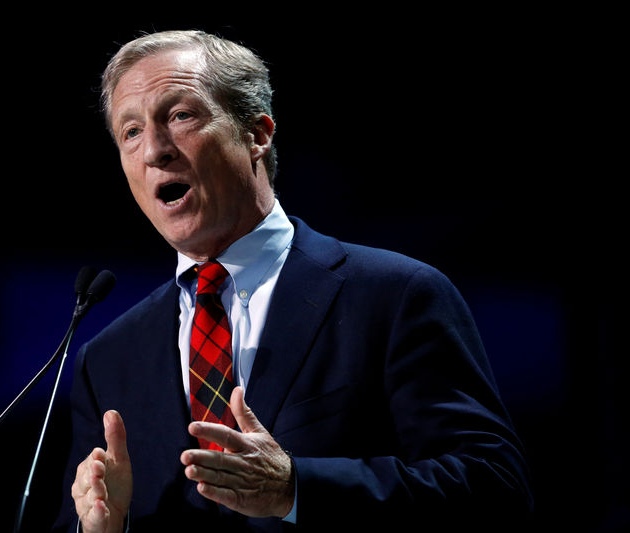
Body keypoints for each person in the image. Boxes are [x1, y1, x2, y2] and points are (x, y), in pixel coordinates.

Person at [53, 30, 533, 532]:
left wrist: (295, 490)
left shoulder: (394, 295)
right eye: (130, 132)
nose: (153, 150)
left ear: (257, 135)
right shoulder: (107, 360)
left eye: (180, 116)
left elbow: (495, 488)